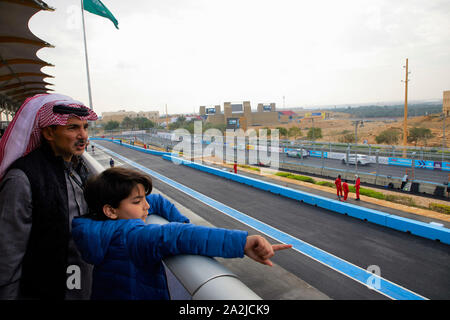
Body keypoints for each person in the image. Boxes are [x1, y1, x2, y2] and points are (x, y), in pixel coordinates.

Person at [72, 167, 292, 300]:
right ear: (110, 210)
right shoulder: (131, 236)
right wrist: (242, 242)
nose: (147, 207)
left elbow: (155, 201)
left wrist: (176, 218)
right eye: (138, 201)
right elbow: (175, 236)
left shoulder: (97, 229)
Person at [0, 93, 98, 299]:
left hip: (82, 283)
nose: (83, 136)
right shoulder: (22, 179)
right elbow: (8, 256)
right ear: (49, 133)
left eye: (85, 127)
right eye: (73, 128)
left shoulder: (81, 169)